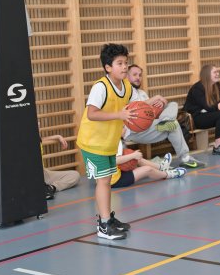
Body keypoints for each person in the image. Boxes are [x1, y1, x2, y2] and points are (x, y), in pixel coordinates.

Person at [76, 43, 134, 240]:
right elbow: (91, 114)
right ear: (108, 67)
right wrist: (119, 115)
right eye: (120, 63)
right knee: (103, 182)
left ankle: (107, 218)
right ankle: (103, 225)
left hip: (108, 142)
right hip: (93, 142)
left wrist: (152, 105)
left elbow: (131, 109)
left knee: (107, 181)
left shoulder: (126, 86)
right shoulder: (100, 87)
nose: (125, 67)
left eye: (126, 62)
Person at [124, 64, 204, 168]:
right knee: (173, 124)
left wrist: (162, 103)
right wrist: (157, 97)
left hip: (150, 125)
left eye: (140, 75)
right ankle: (185, 157)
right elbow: (137, 108)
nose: (138, 78)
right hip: (134, 131)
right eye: (134, 75)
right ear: (127, 76)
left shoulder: (142, 93)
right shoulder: (125, 91)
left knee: (173, 105)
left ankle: (166, 122)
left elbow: (150, 111)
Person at [184, 64, 220, 155]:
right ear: (207, 74)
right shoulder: (197, 88)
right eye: (215, 72)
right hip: (195, 118)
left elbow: (216, 104)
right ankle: (217, 147)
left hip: (207, 114)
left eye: (218, 72)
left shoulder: (216, 85)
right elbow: (209, 107)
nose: (218, 74)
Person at [110, 141, 186, 188]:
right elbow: (115, 161)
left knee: (137, 159)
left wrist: (133, 156)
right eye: (123, 127)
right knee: (148, 170)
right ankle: (168, 174)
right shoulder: (110, 140)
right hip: (114, 180)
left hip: (116, 170)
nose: (125, 128)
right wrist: (132, 155)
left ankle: (161, 167)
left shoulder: (114, 137)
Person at [42, 134, 80, 200]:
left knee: (75, 175)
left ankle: (50, 187)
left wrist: (58, 136)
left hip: (44, 173)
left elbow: (42, 139)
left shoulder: (37, 139)